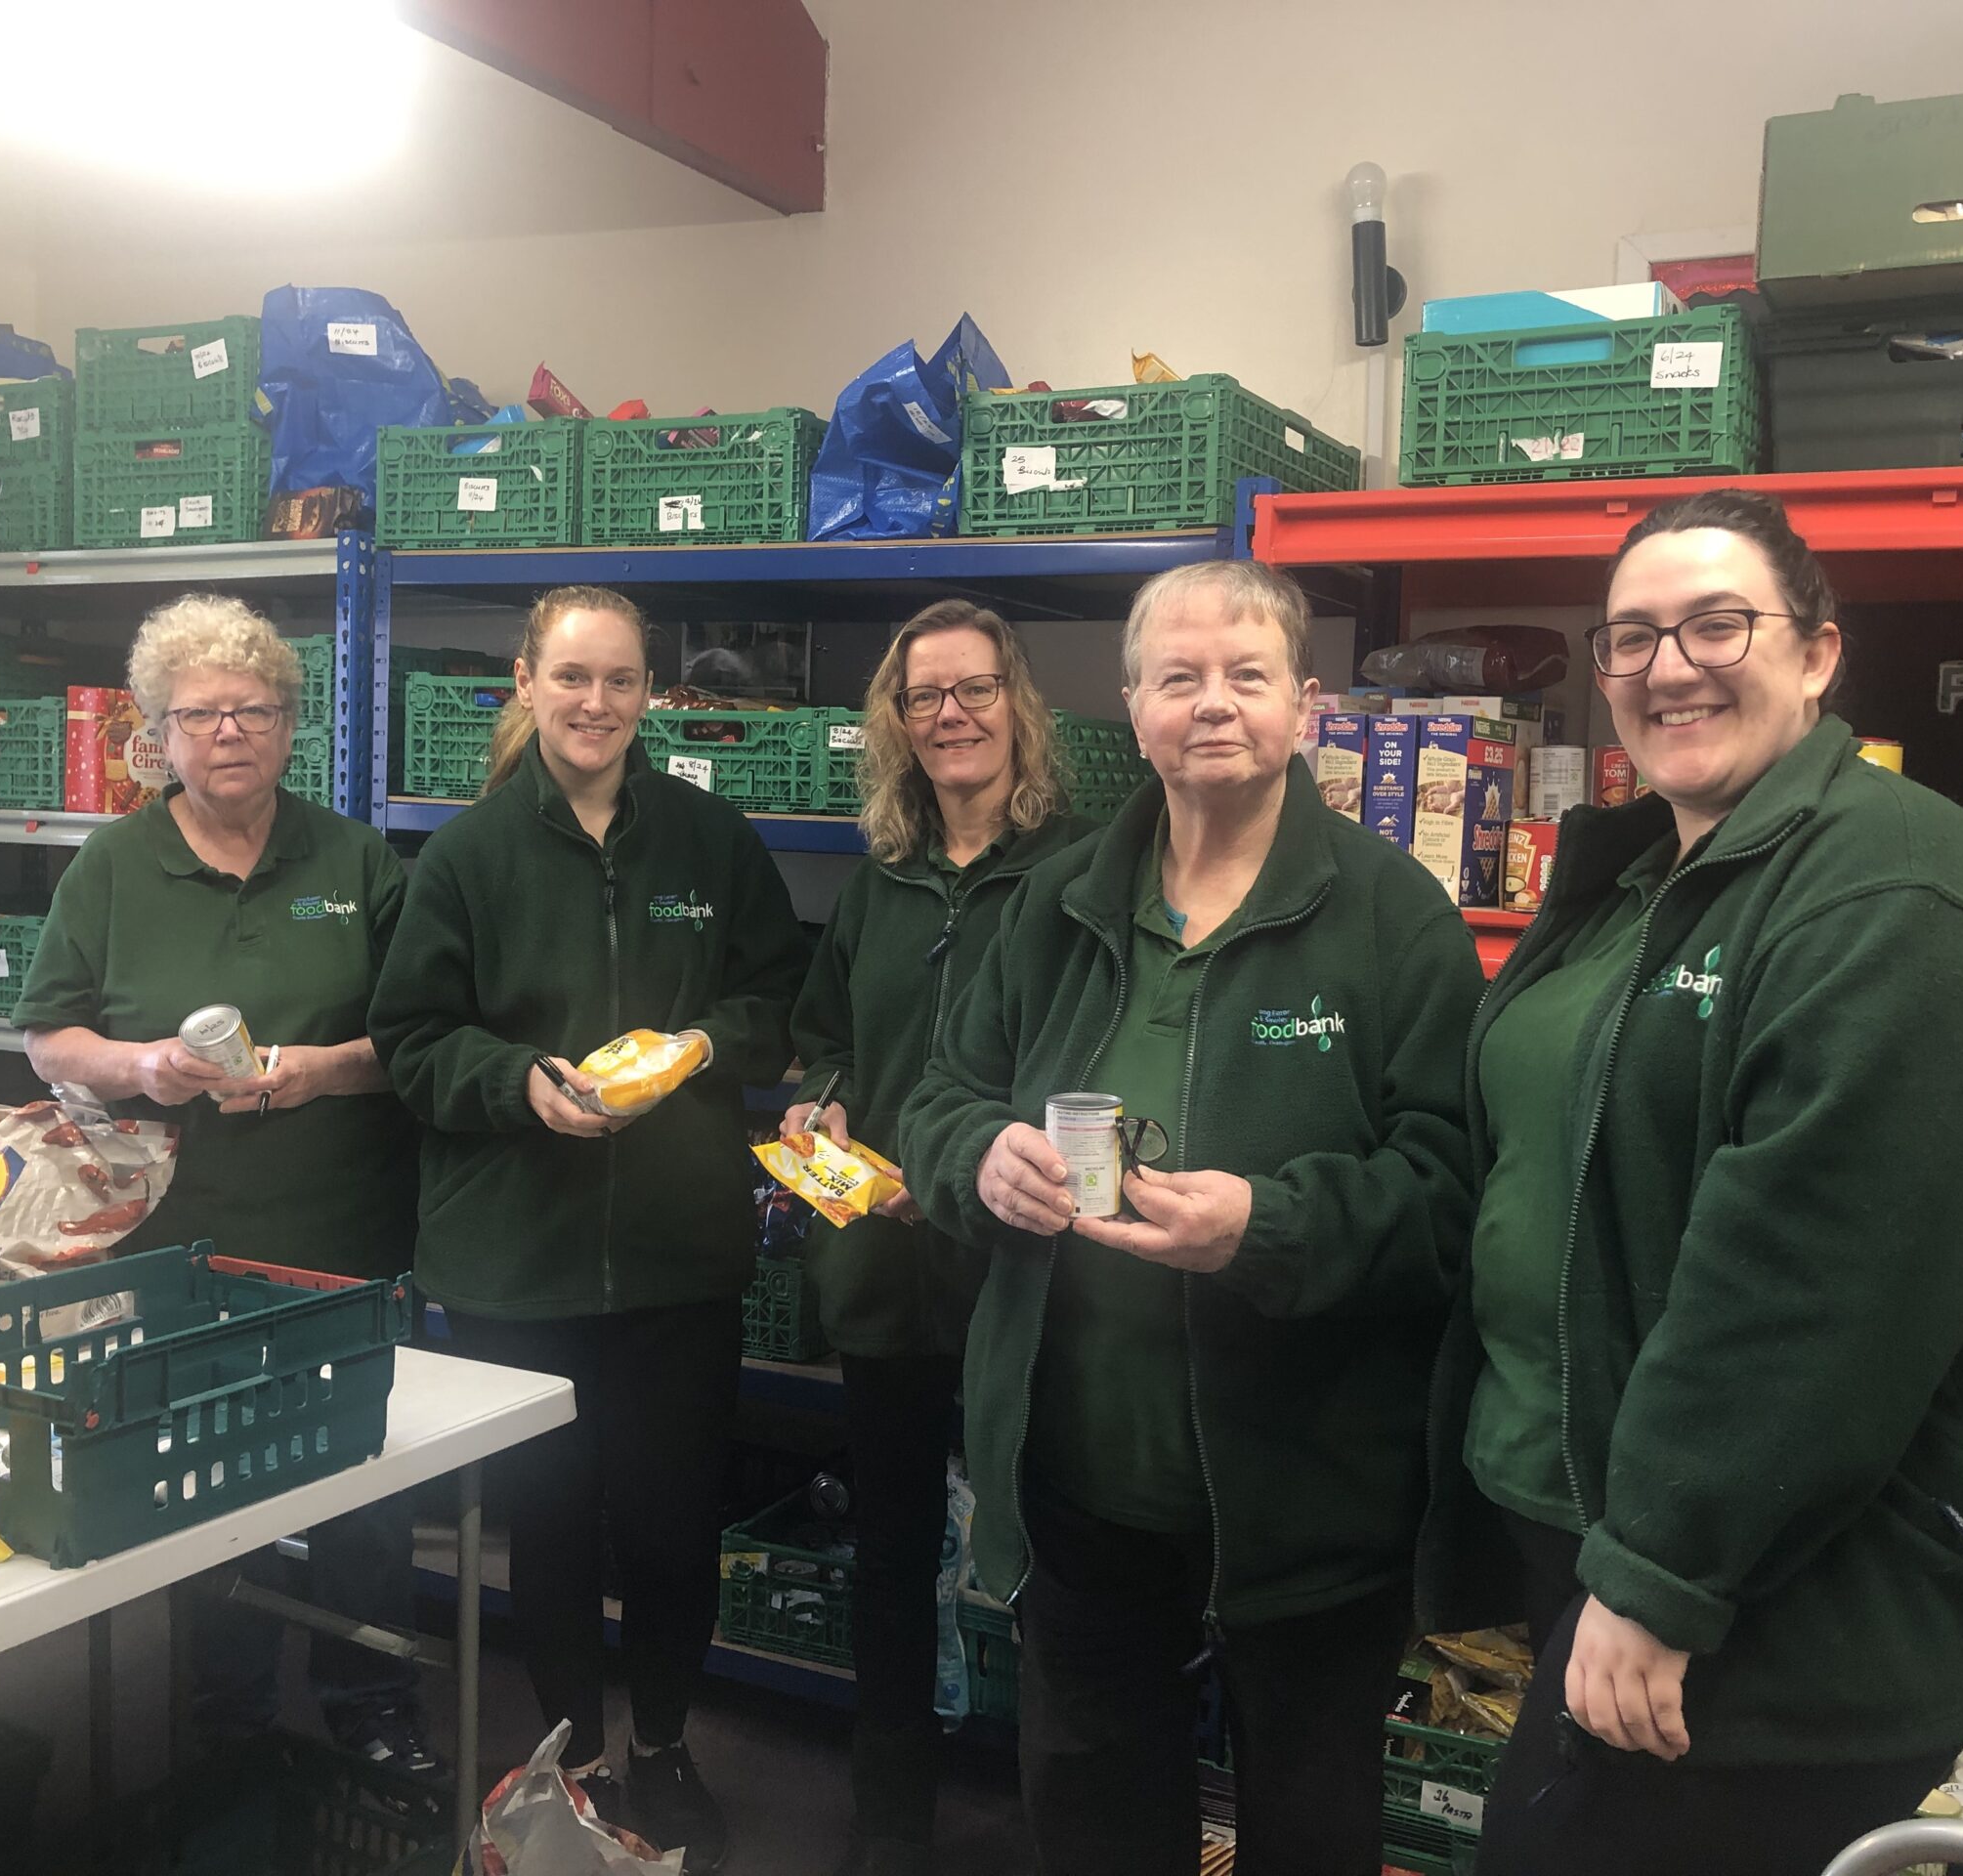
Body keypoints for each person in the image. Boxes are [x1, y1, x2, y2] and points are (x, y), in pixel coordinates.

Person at [1420, 489, 1963, 1876]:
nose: (1670, 667)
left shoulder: (1888, 894)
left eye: (1717, 623)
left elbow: (1815, 1288)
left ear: (1820, 653)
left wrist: (1663, 1573)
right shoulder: (1643, 874)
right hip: (1606, 1529)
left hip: (1782, 1596)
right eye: (1631, 639)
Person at [901, 560, 1484, 1876]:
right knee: (1096, 1810)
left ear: (1307, 705)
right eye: (1179, 678)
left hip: (1309, 1495)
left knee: (1310, 1817)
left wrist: (1266, 1228)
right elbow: (940, 1097)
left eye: (1246, 676)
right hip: (1078, 1477)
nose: (1211, 704)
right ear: (1133, 706)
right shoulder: (1052, 907)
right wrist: (980, 1161)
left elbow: (1451, 1194)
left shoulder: (1396, 921)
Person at [368, 583, 807, 1871]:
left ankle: (662, 1748)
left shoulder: (711, 844)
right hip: (520, 1261)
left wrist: (700, 1049)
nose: (595, 704)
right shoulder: (466, 857)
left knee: (674, 1525)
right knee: (550, 1527)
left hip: (677, 1256)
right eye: (572, 678)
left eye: (620, 681)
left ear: (649, 697)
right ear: (526, 683)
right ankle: (572, 1766)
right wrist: (517, 1087)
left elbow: (777, 997)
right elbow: (410, 1040)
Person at [13, 593, 434, 1772]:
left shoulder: (351, 861)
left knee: (364, 1474)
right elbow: (49, 1037)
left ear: (291, 724)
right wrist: (140, 1065)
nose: (228, 733)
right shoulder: (113, 864)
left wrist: (325, 1068)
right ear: (156, 736)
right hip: (180, 1245)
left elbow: (417, 1037)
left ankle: (370, 1703)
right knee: (201, 1479)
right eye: (197, 715)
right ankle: (227, 1712)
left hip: (343, 1230)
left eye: (252, 709)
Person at [782, 600, 1093, 1876]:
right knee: (897, 1549)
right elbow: (824, 1033)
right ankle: (892, 1812)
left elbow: (1094, 1068)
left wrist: (964, 1175)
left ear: (1018, 704)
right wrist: (823, 1099)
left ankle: (1061, 1813)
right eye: (925, 699)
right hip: (886, 1272)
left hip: (1031, 1280)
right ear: (897, 725)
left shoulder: (1082, 875)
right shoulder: (880, 881)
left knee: (1057, 1560)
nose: (951, 716)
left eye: (974, 691)